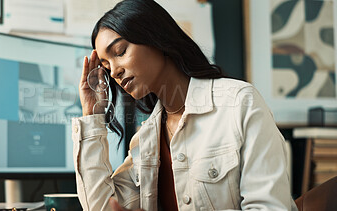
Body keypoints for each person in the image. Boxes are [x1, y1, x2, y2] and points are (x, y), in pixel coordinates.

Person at [72, 0, 298, 210]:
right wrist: (92, 116)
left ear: (154, 36)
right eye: (107, 67)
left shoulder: (240, 103)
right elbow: (101, 206)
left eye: (120, 52)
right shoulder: (145, 140)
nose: (116, 71)